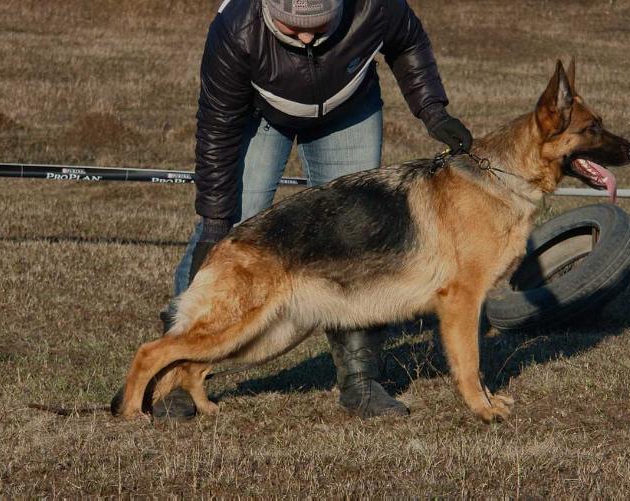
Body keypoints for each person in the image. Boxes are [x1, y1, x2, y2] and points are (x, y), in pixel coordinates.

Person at [156, 0, 473, 420]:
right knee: (231, 227)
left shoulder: (374, 7)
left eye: (318, 27)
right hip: (259, 114)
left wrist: (433, 110)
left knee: (361, 241)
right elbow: (216, 130)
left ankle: (361, 381)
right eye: (292, 30)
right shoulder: (235, 29)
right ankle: (172, 377)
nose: (306, 38)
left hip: (347, 111)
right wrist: (216, 223)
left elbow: (408, 40)